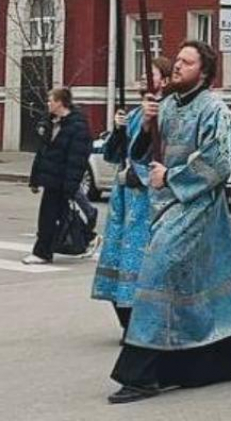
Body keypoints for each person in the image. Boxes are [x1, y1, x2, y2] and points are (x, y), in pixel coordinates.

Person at [108, 41, 231, 404]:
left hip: (198, 207)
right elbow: (142, 153)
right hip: (165, 205)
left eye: (186, 61)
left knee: (158, 273)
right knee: (191, 285)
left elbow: (221, 160)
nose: (177, 66)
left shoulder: (215, 110)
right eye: (176, 60)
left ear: (204, 71)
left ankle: (141, 373)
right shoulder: (167, 105)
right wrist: (146, 126)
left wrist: (173, 177)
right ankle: (229, 356)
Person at [91, 56, 172, 333]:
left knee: (138, 261)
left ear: (165, 80)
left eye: (151, 74)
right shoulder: (136, 112)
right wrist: (118, 129)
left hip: (146, 200)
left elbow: (155, 154)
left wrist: (138, 174)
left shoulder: (165, 111)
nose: (143, 77)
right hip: (124, 201)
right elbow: (114, 155)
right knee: (117, 255)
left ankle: (139, 322)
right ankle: (126, 317)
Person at [23, 87, 94, 265]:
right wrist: (35, 179)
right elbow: (42, 153)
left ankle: (42, 252)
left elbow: (77, 159)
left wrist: (71, 186)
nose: (48, 103)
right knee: (60, 217)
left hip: (63, 180)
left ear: (60, 102)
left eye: (51, 100)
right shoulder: (50, 122)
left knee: (49, 217)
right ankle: (88, 238)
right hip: (51, 179)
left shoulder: (77, 126)